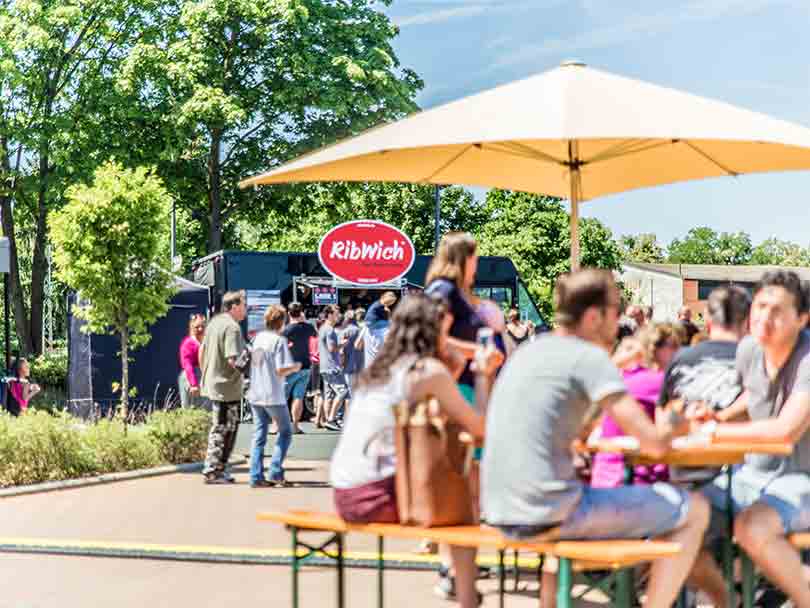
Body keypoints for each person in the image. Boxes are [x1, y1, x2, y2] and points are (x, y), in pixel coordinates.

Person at [482, 269, 710, 608]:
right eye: (615, 311)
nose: (618, 322)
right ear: (592, 316)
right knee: (695, 509)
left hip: (499, 510)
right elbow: (655, 444)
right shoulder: (588, 357)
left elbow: (579, 428)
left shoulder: (531, 351)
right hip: (549, 512)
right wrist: (678, 420)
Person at [330, 293, 501, 608]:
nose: (447, 338)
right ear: (431, 331)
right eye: (444, 331)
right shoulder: (426, 371)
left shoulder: (380, 370)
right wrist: (482, 375)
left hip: (344, 492)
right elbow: (479, 428)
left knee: (455, 489)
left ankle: (459, 587)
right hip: (375, 495)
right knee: (465, 497)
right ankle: (465, 596)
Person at [683, 271, 810, 607]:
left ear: (802, 319)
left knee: (751, 527)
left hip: (802, 481)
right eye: (761, 305)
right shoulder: (749, 350)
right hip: (749, 477)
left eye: (777, 310)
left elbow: (786, 429)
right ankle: (725, 601)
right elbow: (751, 400)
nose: (764, 317)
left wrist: (714, 431)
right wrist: (716, 416)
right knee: (677, 518)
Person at [591, 322, 681, 488]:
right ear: (655, 348)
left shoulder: (622, 377)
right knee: (700, 502)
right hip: (633, 481)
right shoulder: (658, 381)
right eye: (674, 345)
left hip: (603, 477)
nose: (679, 351)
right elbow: (679, 426)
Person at [246, 305, 301, 488]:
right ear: (282, 322)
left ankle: (255, 475)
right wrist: (295, 367)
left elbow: (256, 363)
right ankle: (276, 471)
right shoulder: (279, 341)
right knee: (285, 432)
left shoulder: (258, 338)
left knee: (259, 435)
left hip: (256, 392)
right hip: (273, 394)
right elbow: (280, 369)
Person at [200, 290, 247, 484]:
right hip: (227, 387)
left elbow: (202, 352)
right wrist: (252, 371)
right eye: (244, 305)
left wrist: (207, 374)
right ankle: (214, 471)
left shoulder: (214, 323)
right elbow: (233, 359)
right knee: (225, 429)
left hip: (214, 383)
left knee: (221, 427)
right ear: (234, 306)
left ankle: (216, 469)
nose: (246, 309)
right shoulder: (232, 327)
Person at [283, 302, 317, 434]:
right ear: (302, 312)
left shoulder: (287, 330)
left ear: (288, 313)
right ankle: (295, 426)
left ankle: (279, 426)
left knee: (282, 398)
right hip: (306, 366)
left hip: (290, 367)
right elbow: (314, 334)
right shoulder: (309, 327)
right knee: (298, 397)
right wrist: (304, 320)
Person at [319, 305, 348, 432]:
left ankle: (329, 420)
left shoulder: (323, 328)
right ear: (330, 314)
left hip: (325, 366)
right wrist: (342, 344)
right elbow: (332, 348)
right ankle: (331, 419)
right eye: (336, 313)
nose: (339, 316)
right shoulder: (329, 330)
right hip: (331, 366)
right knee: (343, 392)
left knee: (329, 395)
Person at [356, 292, 396, 366]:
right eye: (390, 302)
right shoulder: (386, 329)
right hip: (380, 366)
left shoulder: (366, 329)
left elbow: (357, 345)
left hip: (369, 366)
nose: (390, 304)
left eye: (391, 303)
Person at [178, 314, 206, 408]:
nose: (200, 329)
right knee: (190, 409)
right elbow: (187, 364)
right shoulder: (188, 344)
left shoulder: (207, 343)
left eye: (203, 326)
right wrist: (193, 384)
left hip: (204, 379)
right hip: (191, 377)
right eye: (197, 327)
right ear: (191, 328)